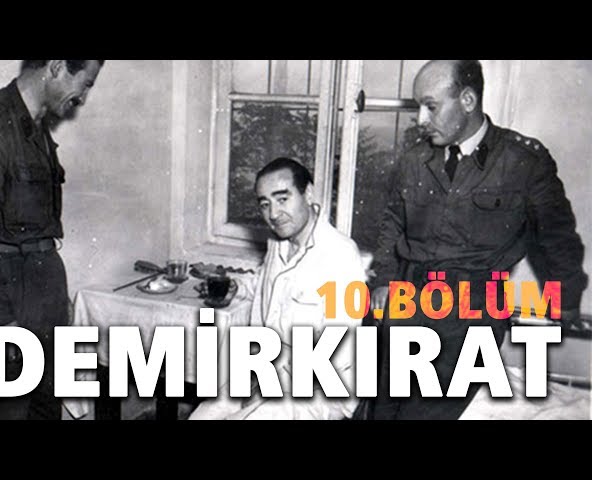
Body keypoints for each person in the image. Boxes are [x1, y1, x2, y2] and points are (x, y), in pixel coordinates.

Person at [353, 60, 588, 420]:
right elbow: (392, 224)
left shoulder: (523, 162)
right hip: (407, 303)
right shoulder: (414, 160)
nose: (420, 119)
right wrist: (384, 280)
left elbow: (557, 238)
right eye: (418, 106)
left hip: (471, 315)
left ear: (467, 100)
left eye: (431, 106)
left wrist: (567, 300)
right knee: (379, 411)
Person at [0, 60, 104, 420]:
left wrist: (55, 299)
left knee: (45, 409)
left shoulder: (36, 127)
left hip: (40, 294)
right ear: (56, 66)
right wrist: (3, 323)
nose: (82, 98)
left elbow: (39, 231)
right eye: (85, 84)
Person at [189, 158, 366, 420]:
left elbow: (337, 354)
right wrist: (236, 287)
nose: (273, 214)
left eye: (282, 199)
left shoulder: (340, 255)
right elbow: (265, 286)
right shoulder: (278, 241)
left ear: (308, 193)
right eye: (265, 204)